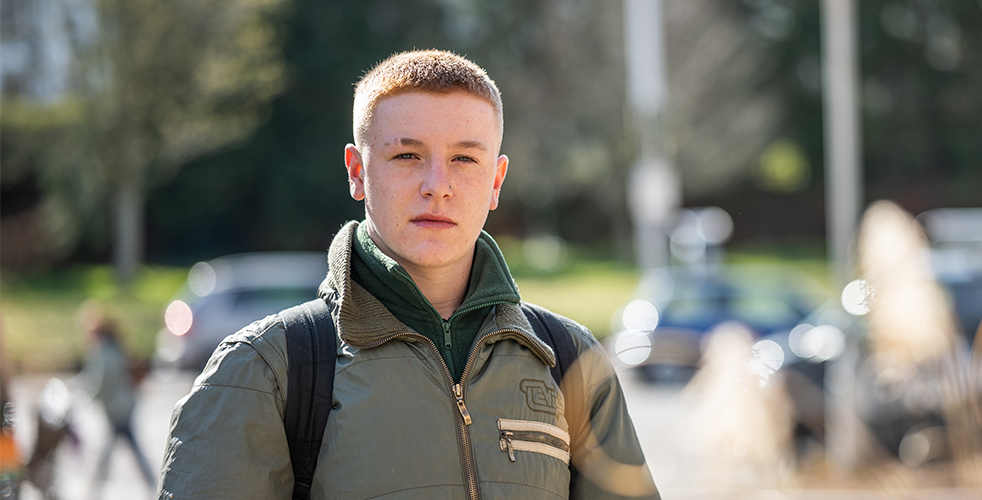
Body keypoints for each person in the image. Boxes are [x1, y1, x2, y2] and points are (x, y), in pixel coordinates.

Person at [157, 49, 660, 500]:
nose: (437, 185)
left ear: (496, 182)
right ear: (357, 171)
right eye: (407, 155)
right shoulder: (265, 372)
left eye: (464, 158)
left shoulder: (572, 361)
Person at [74, 300, 156, 499]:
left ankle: (94, 491)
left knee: (115, 450)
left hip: (120, 408)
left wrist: (83, 397)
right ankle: (154, 483)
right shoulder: (107, 349)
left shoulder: (106, 351)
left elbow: (102, 382)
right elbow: (92, 377)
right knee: (121, 449)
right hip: (119, 407)